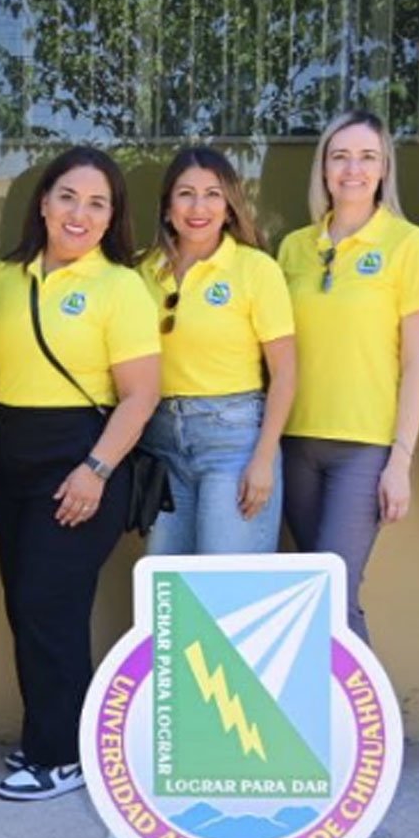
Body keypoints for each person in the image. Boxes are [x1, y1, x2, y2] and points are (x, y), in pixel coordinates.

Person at [0, 146, 160, 801]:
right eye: (68, 197)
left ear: (112, 216)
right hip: (11, 454)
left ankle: (62, 755)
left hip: (84, 457)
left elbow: (141, 395)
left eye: (97, 203)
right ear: (43, 201)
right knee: (24, 602)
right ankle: (44, 734)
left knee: (51, 605)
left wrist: (95, 469)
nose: (79, 214)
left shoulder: (120, 286)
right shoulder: (4, 278)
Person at [276, 111, 419, 641]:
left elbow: (417, 364)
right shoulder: (294, 247)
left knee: (334, 591)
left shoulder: (409, 244)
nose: (353, 169)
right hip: (295, 443)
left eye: (367, 157)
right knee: (316, 592)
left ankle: (369, 725)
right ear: (323, 169)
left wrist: (400, 459)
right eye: (340, 156)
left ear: (385, 168)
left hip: (364, 448)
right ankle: (325, 722)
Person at [135, 147, 296, 556]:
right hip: (162, 443)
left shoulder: (255, 268)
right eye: (185, 193)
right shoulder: (142, 272)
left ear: (229, 208)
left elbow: (286, 372)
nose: (198, 207)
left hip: (235, 440)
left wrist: (262, 460)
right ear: (168, 207)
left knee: (226, 593)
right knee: (171, 595)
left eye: (213, 194)